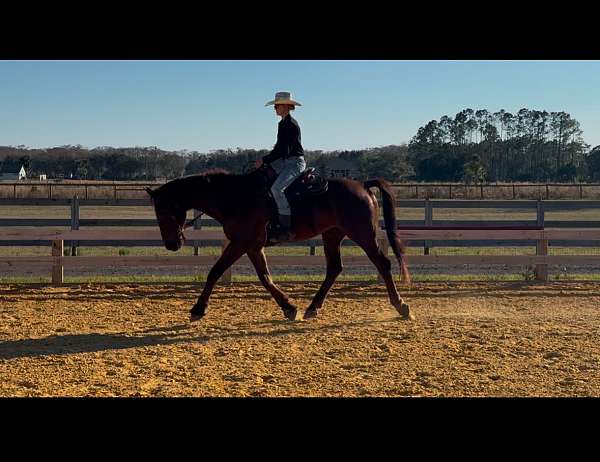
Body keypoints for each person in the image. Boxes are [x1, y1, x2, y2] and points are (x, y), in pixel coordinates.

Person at [255, 91, 306, 242]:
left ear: (285, 106)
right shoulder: (283, 123)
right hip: (285, 161)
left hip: (295, 162)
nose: (275, 108)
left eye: (277, 105)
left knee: (276, 189)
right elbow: (280, 149)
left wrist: (264, 160)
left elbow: (283, 150)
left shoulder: (290, 124)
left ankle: (286, 228)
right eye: (275, 105)